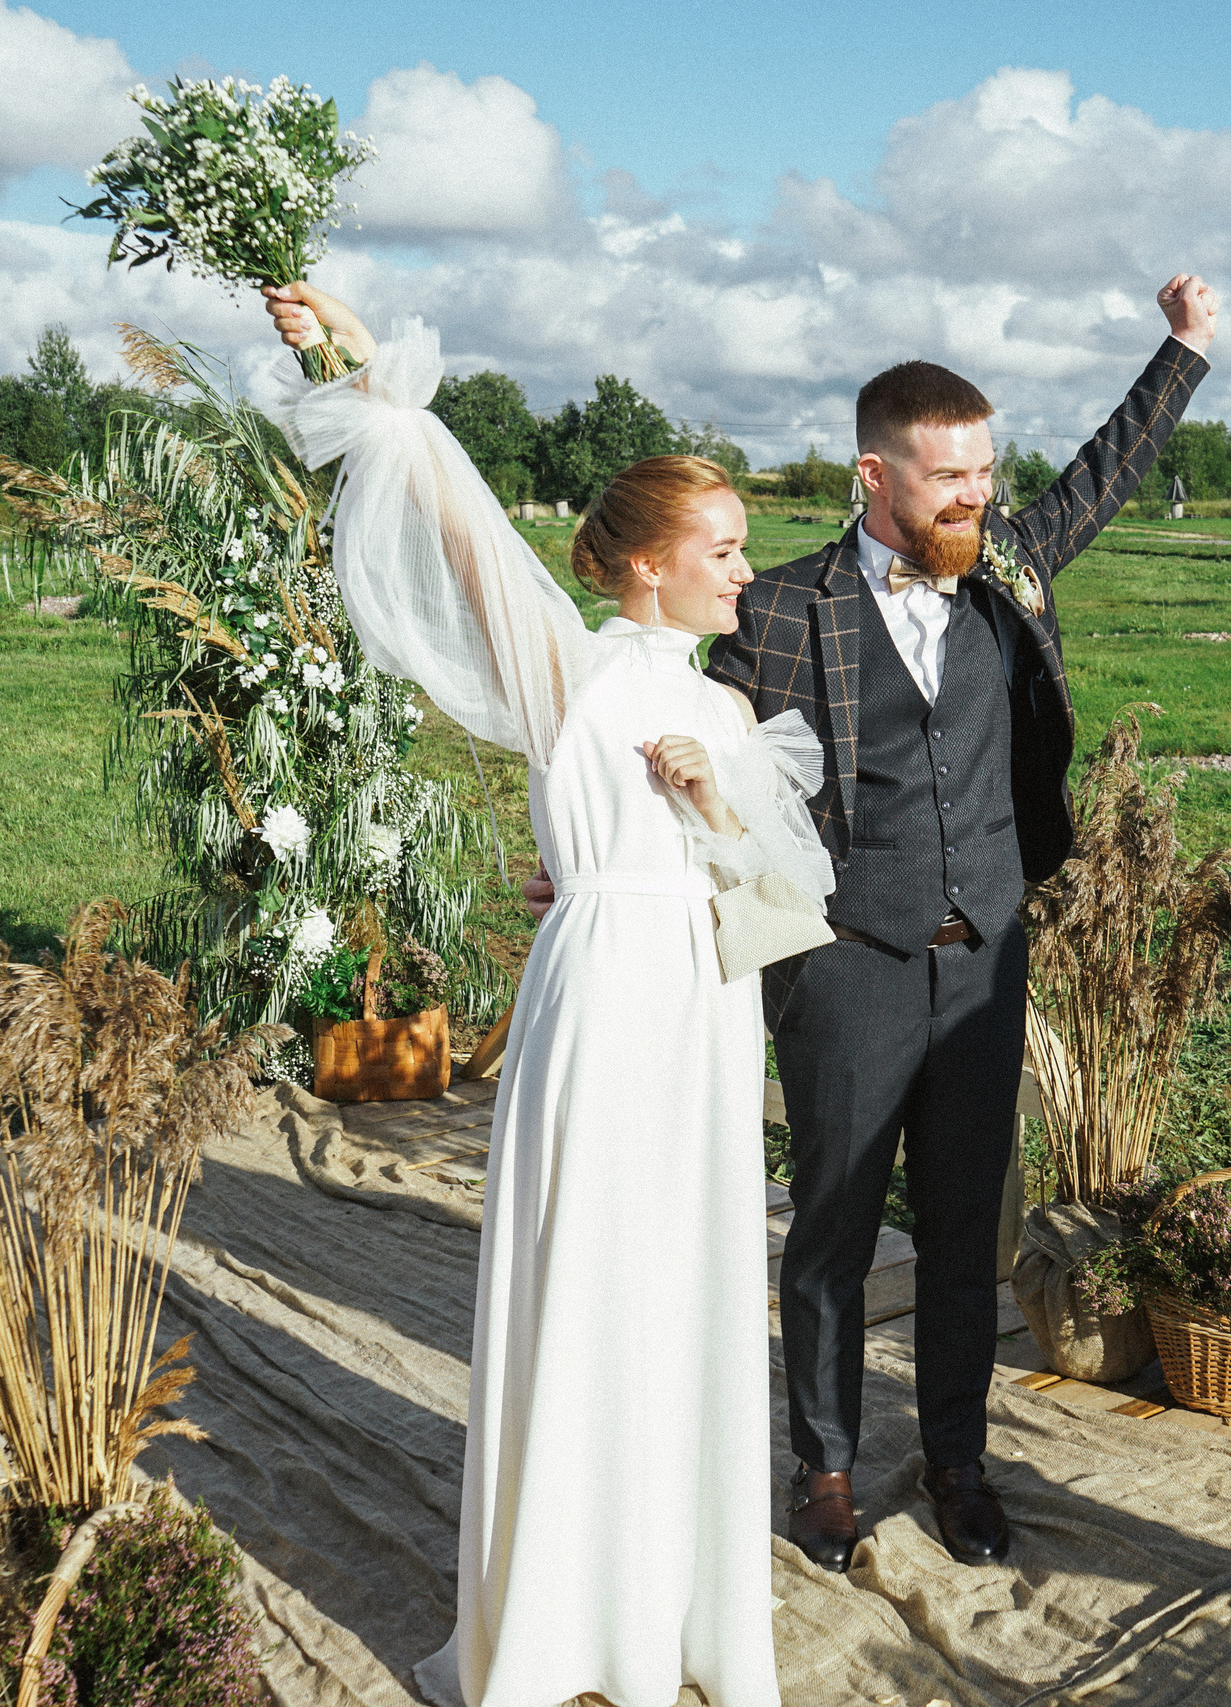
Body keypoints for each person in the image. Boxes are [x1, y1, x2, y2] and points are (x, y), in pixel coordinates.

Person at [263, 280, 833, 1707]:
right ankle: (571, 1615)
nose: (743, 575)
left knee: (688, 1282)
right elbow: (458, 533)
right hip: (602, 1000)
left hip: (701, 1012)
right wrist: (349, 365)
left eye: (745, 551)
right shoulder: (572, 681)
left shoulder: (725, 713)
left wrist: (714, 815)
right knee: (593, 1274)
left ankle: (682, 1611)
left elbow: (784, 891)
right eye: (720, 550)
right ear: (642, 565)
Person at [703, 274, 1220, 1571]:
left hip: (988, 964)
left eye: (988, 470)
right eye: (949, 478)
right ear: (874, 474)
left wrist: (1185, 349)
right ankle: (822, 1459)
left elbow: (1106, 470)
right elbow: (678, 728)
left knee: (959, 1234)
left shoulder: (1012, 572)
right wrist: (586, 847)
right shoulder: (778, 611)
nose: (977, 497)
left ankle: (956, 1458)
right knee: (826, 1233)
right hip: (842, 969)